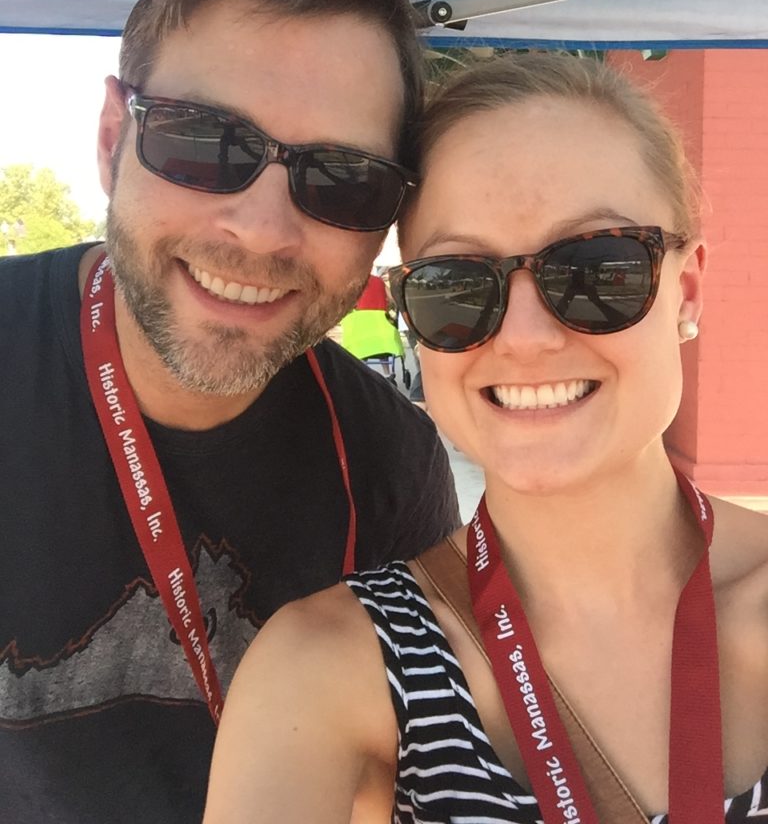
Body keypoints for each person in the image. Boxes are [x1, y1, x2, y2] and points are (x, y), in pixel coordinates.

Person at [203, 52, 768, 823]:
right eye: (455, 284)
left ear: (686, 293)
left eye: (597, 267)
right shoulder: (327, 671)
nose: (526, 338)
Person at [0, 0, 460, 824]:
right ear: (109, 138)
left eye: (343, 180)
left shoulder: (390, 461)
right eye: (205, 142)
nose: (259, 230)